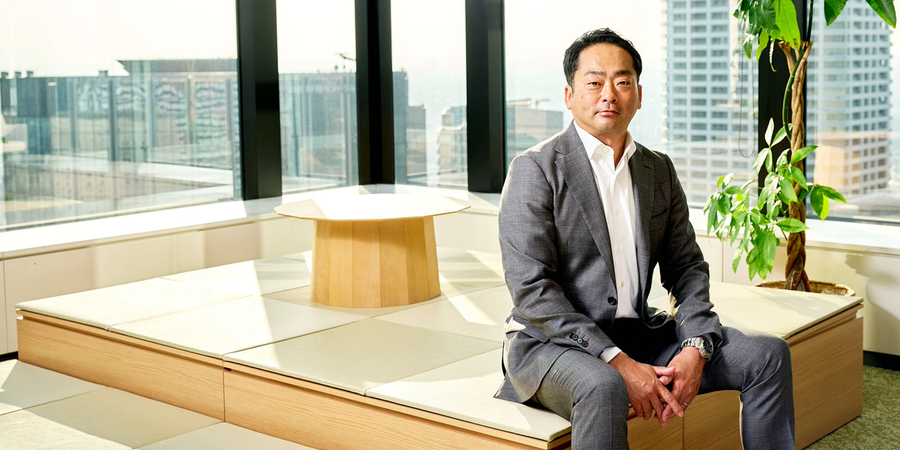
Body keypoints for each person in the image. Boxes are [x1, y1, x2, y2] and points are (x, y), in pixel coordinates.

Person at [495, 28, 795, 450]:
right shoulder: (535, 169)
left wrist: (695, 346)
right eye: (594, 82)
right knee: (604, 385)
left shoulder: (658, 170)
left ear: (638, 95)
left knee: (768, 355)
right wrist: (617, 361)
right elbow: (532, 291)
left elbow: (686, 268)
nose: (609, 94)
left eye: (622, 82)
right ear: (569, 96)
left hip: (640, 334)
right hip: (550, 346)